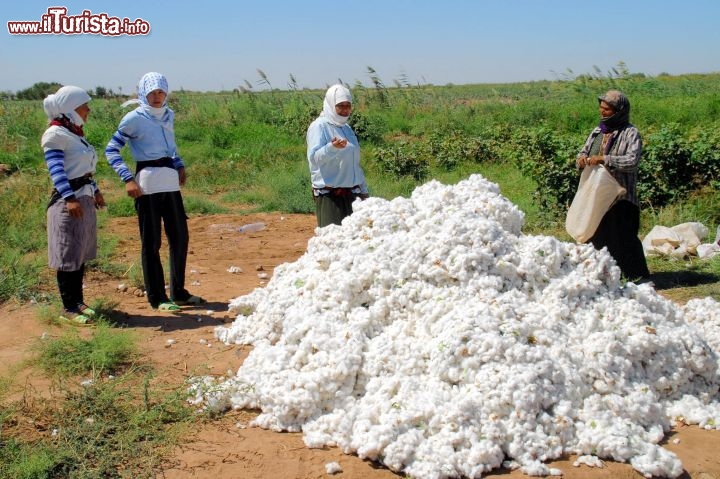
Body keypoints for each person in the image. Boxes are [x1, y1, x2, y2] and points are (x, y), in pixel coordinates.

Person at [105, 72, 204, 312]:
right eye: (152, 92)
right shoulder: (133, 119)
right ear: (143, 94)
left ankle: (178, 292)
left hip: (169, 181)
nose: (157, 97)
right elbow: (111, 150)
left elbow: (171, 148)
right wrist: (128, 179)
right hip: (147, 183)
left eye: (161, 92)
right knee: (152, 242)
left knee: (180, 237)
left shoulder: (168, 115)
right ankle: (157, 297)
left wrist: (179, 164)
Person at [42, 85, 105, 325]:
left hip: (84, 197)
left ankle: (78, 302)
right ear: (71, 108)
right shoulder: (55, 135)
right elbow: (56, 170)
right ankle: (68, 307)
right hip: (67, 203)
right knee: (67, 254)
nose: (88, 110)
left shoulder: (74, 133)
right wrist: (70, 199)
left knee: (78, 253)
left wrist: (96, 191)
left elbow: (84, 169)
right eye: (84, 105)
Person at [575, 90, 650, 282]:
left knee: (624, 236)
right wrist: (582, 160)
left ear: (619, 111)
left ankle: (637, 277)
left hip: (621, 196)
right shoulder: (598, 132)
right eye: (601, 108)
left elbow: (631, 161)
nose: (603, 112)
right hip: (598, 196)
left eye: (607, 109)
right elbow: (583, 152)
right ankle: (603, 275)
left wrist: (604, 159)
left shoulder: (630, 133)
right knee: (597, 235)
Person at [307, 84, 369, 227]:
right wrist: (331, 148)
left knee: (354, 241)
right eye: (340, 106)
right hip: (331, 197)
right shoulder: (320, 126)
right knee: (333, 241)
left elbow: (354, 164)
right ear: (330, 105)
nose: (345, 110)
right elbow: (315, 159)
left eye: (348, 106)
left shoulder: (346, 128)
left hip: (352, 194)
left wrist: (364, 191)